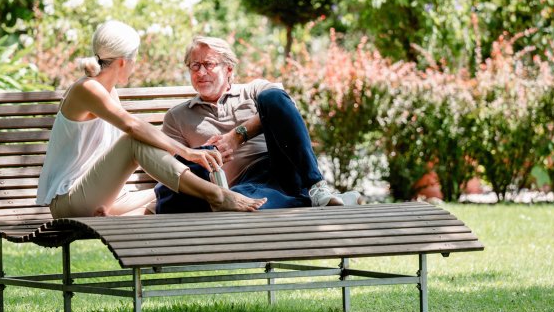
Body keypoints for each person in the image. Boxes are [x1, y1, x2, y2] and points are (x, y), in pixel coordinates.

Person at [35, 21, 266, 217]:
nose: (135, 66)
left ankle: (199, 198)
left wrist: (195, 158)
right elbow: (133, 128)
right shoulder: (86, 89)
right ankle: (218, 196)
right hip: (70, 200)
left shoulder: (109, 92)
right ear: (124, 61)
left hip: (104, 197)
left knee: (179, 188)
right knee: (133, 141)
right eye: (135, 60)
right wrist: (188, 152)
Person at [156, 36, 361, 213]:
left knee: (272, 97)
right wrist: (206, 155)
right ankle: (313, 201)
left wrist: (238, 136)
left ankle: (317, 187)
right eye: (195, 66)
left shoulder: (254, 90)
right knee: (243, 203)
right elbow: (170, 170)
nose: (201, 72)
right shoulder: (176, 117)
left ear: (228, 69)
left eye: (208, 64)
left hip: (284, 165)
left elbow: (285, 108)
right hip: (245, 185)